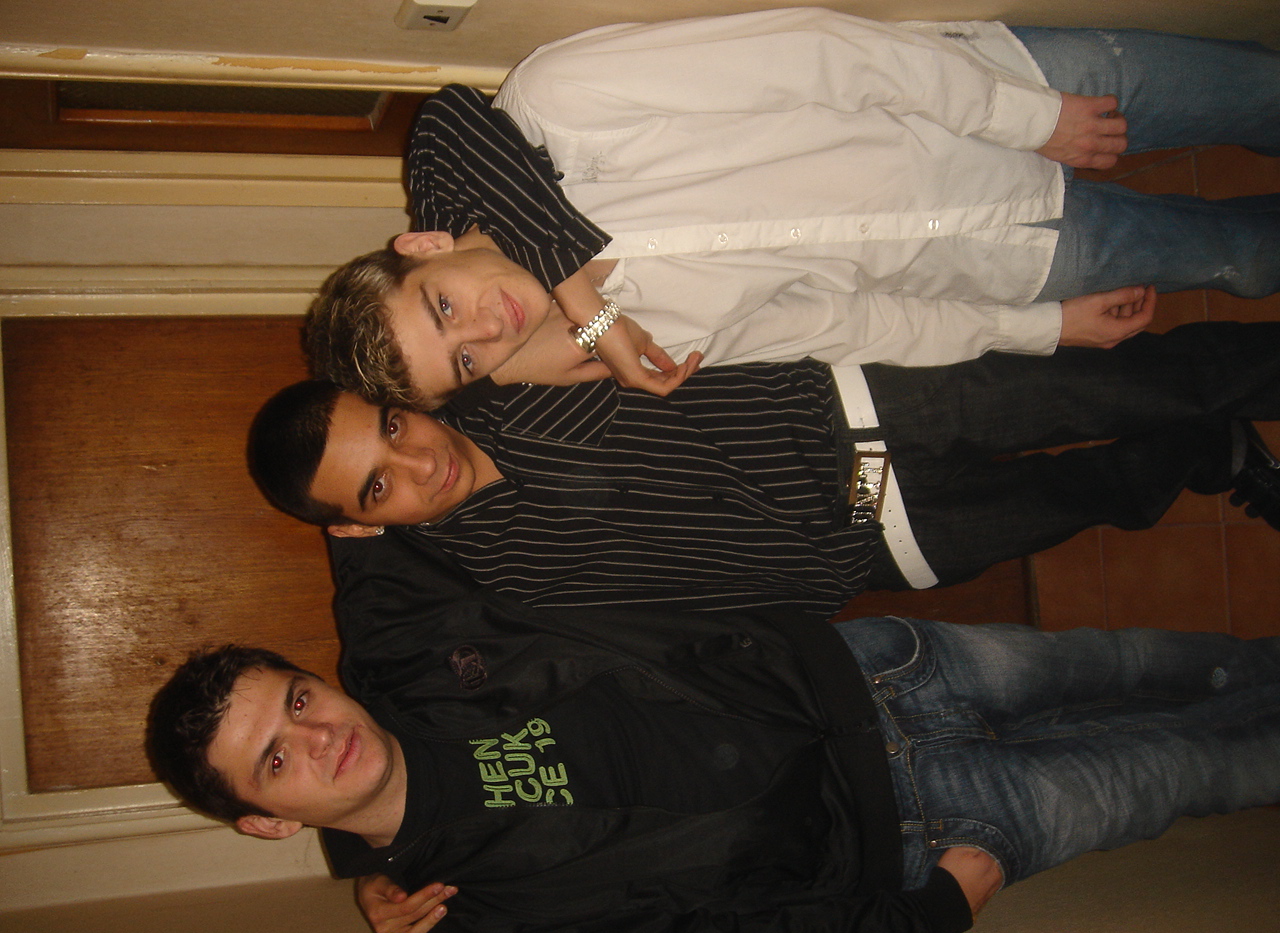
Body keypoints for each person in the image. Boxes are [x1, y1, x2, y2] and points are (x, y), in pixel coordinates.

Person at [147, 529, 1280, 933]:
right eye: (276, 761)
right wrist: (923, 919)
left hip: (874, 669)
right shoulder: (476, 922)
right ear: (265, 821)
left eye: (298, 700)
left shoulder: (400, 645)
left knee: (1150, 660)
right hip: (913, 827)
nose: (318, 737)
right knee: (1191, 768)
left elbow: (353, 442)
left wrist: (357, 861)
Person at [304, 9, 1280, 408]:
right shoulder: (630, 347)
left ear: (422, 243)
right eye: (465, 361)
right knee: (1246, 261)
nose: (485, 329)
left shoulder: (553, 107)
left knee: (1261, 93)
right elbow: (843, 323)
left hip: (1003, 100)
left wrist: (1026, 116)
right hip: (1008, 257)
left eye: (442, 307)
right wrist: (1037, 328)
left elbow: (823, 56)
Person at [252, 316, 1280, 616]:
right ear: (357, 526)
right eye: (377, 484)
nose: (419, 458)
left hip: (863, 409)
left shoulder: (497, 373)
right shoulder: (508, 584)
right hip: (883, 539)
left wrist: (590, 318)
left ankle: (1241, 383)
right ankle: (1212, 450)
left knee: (1122, 384)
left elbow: (458, 134)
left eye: (392, 425)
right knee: (1090, 495)